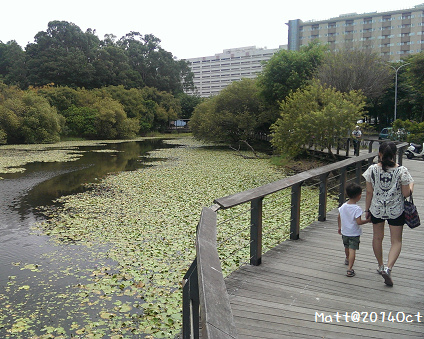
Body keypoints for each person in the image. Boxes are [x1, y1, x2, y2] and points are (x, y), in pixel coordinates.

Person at [362, 141, 414, 286]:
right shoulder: (402, 171)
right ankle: (388, 268)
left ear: (379, 154)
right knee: (396, 241)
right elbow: (406, 193)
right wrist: (411, 185)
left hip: (377, 208)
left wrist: (366, 210)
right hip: (396, 210)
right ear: (395, 155)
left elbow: (369, 192)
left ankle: (380, 266)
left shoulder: (371, 170)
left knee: (377, 238)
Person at [338, 182, 371, 277]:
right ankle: (350, 269)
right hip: (354, 233)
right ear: (359, 196)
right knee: (353, 249)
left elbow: (339, 217)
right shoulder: (357, 209)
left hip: (345, 232)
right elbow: (359, 222)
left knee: (346, 247)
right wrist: (368, 221)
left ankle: (347, 258)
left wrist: (339, 227)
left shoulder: (343, 206)